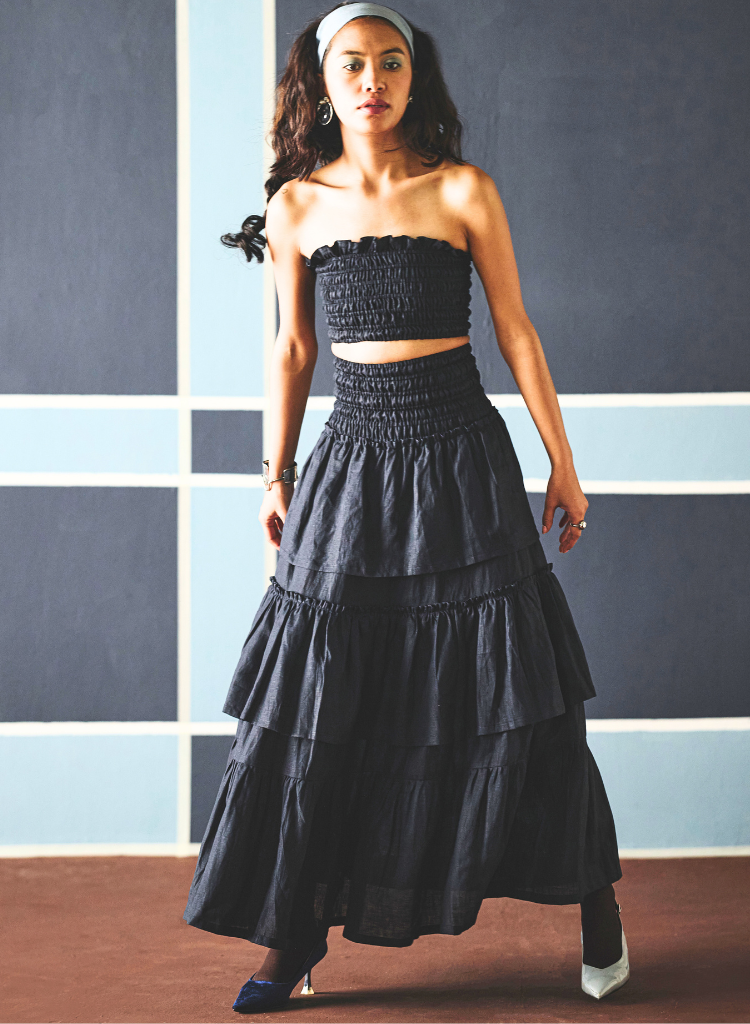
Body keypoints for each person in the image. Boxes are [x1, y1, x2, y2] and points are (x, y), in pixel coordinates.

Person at [184, 2, 630, 1012]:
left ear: (413, 76)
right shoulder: (297, 205)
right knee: (317, 703)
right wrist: (274, 473)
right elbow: (293, 349)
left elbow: (516, 331)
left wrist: (563, 462)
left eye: (391, 62)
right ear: (322, 83)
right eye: (352, 64)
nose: (372, 80)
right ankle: (293, 934)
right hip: (351, 463)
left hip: (463, 455)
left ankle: (597, 910)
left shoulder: (464, 189)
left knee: (525, 698)